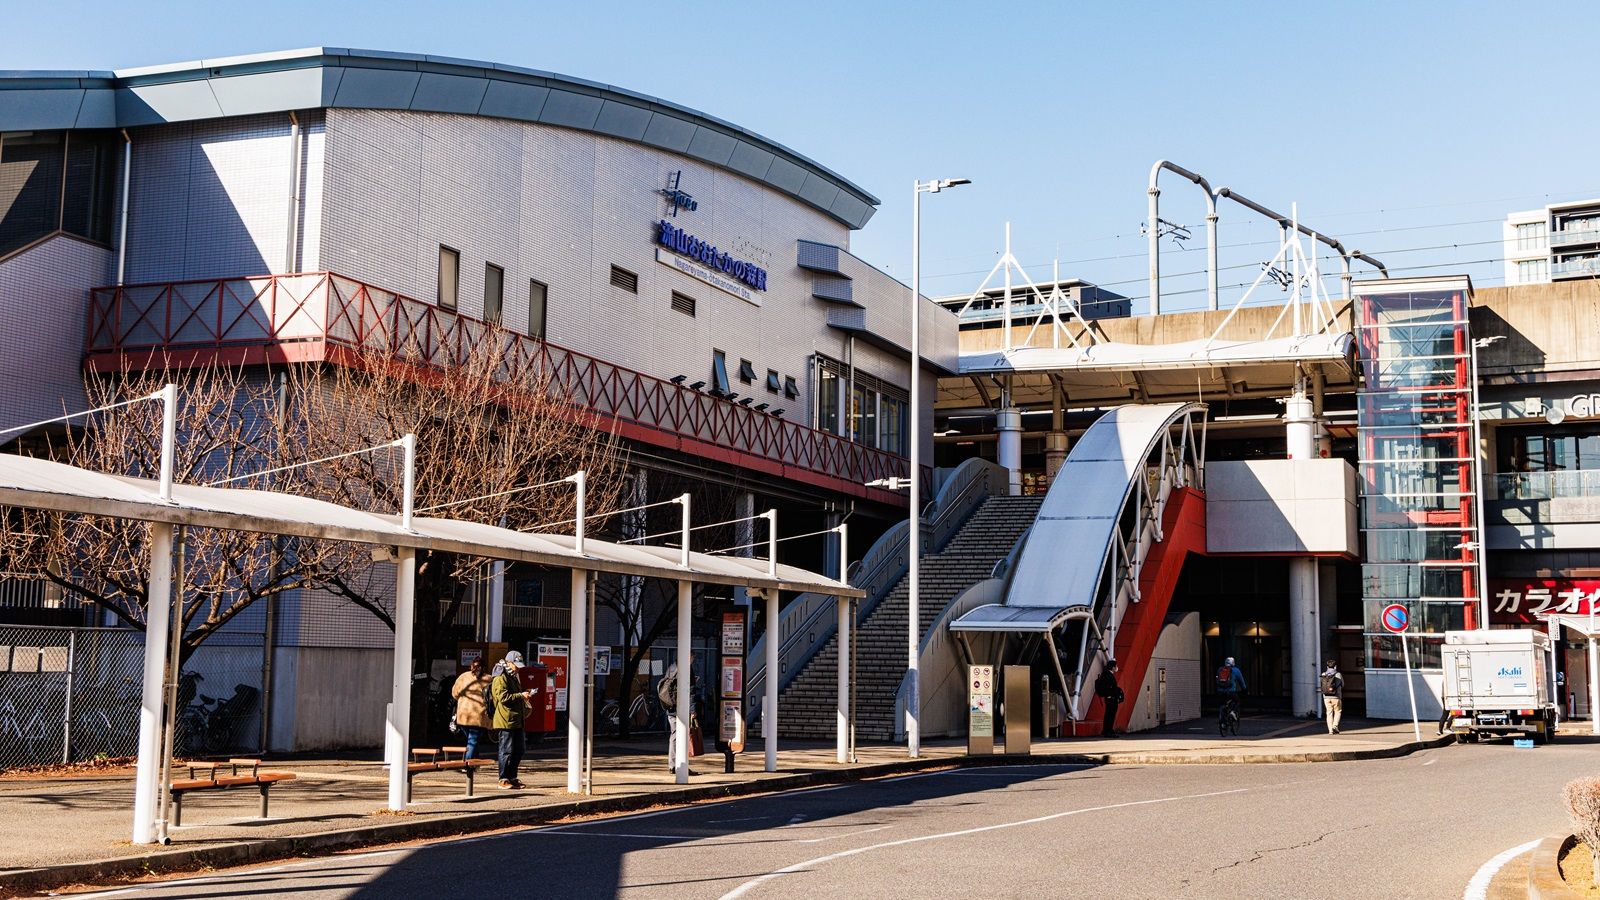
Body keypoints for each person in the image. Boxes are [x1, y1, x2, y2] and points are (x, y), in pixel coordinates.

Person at [492, 650, 535, 789]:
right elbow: (503, 698)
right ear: (508, 662)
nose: (517, 668)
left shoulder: (513, 675)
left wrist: (524, 694)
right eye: (515, 664)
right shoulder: (501, 676)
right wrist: (521, 696)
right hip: (505, 719)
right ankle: (503, 778)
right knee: (506, 750)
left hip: (517, 719)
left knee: (519, 750)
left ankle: (512, 777)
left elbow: (514, 695)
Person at [450, 657, 493, 760]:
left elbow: (455, 693)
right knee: (473, 740)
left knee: (472, 740)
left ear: (471, 666)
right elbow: (493, 697)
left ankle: (474, 761)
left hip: (464, 715)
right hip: (479, 716)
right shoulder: (489, 679)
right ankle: (467, 764)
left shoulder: (463, 677)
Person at [1094, 660, 1123, 738]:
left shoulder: (1106, 675)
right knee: (1110, 715)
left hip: (1109, 698)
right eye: (1116, 666)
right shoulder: (1109, 676)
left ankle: (1107, 730)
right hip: (1111, 699)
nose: (1117, 668)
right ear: (1113, 667)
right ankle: (1108, 731)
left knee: (1108, 714)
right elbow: (1110, 688)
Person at [1216, 656, 1246, 727]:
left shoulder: (1220, 669)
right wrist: (1244, 689)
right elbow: (1242, 682)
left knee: (1223, 704)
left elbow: (1217, 681)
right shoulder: (1236, 670)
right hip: (1231, 692)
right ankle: (1232, 712)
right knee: (1237, 701)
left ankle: (1222, 720)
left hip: (1220, 692)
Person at [1319, 658, 1344, 735]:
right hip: (1336, 697)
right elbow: (1342, 685)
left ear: (1327, 667)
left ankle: (1330, 730)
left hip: (1326, 697)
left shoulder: (1323, 674)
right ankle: (1335, 726)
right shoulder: (1338, 674)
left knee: (1329, 713)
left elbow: (1322, 685)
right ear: (1335, 666)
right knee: (1338, 711)